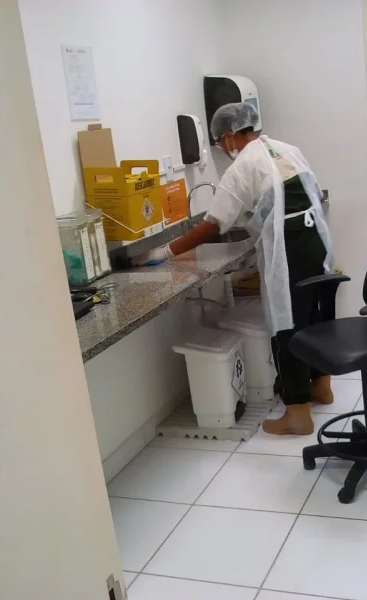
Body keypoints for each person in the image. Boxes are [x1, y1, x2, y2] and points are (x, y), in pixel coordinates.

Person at [138, 102, 334, 435]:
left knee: (286, 324)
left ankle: (298, 413)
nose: (221, 148)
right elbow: (309, 192)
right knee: (312, 316)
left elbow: (213, 225)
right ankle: (321, 386)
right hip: (316, 240)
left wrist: (165, 251)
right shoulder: (286, 149)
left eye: (218, 143)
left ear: (229, 136)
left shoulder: (242, 166)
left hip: (288, 250)